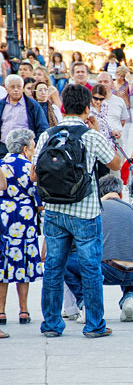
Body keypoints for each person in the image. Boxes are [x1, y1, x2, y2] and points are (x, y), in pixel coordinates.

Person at [33, 84, 122, 338]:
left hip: (54, 210)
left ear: (62, 107)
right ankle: (94, 325)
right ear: (87, 108)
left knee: (53, 267)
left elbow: (34, 174)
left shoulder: (47, 135)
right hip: (85, 211)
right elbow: (115, 163)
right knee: (90, 268)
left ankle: (51, 324)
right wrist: (98, 132)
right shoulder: (90, 136)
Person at [64, 175, 133, 323]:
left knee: (64, 262)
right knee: (130, 252)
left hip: (108, 269)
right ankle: (130, 297)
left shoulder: (94, 210)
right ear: (120, 194)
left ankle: (85, 304)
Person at [0, 129, 41, 330]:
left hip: (4, 216)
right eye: (32, 146)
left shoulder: (1, 164)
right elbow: (38, 197)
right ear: (25, 148)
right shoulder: (30, 167)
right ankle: (23, 310)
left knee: (3, 262)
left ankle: (1, 310)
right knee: (22, 262)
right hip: (25, 218)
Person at [0, 75, 48, 158]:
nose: (16, 90)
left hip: (24, 150)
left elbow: (43, 128)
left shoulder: (32, 105)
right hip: (3, 148)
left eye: (19, 87)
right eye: (12, 87)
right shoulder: (1, 105)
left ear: (22, 88)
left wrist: (33, 146)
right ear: (6, 88)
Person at [97, 72, 128, 146]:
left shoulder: (119, 101)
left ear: (112, 84)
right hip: (99, 141)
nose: (103, 84)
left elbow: (122, 121)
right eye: (100, 82)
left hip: (116, 141)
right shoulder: (92, 102)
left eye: (106, 81)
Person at [112, 66, 133, 146]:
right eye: (118, 75)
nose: (119, 78)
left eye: (122, 76)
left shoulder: (126, 85)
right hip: (113, 111)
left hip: (125, 111)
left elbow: (132, 92)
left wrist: (129, 80)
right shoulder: (112, 83)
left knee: (124, 137)